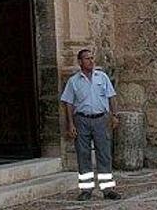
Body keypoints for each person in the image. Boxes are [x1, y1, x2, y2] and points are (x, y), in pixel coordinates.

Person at [60, 49, 121, 201]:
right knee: (83, 154)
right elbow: (68, 103)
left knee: (104, 154)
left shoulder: (102, 77)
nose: (91, 61)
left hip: (101, 119)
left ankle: (107, 189)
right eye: (87, 59)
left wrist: (114, 115)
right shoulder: (73, 81)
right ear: (80, 62)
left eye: (92, 58)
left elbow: (111, 97)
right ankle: (86, 189)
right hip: (82, 119)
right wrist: (70, 124)